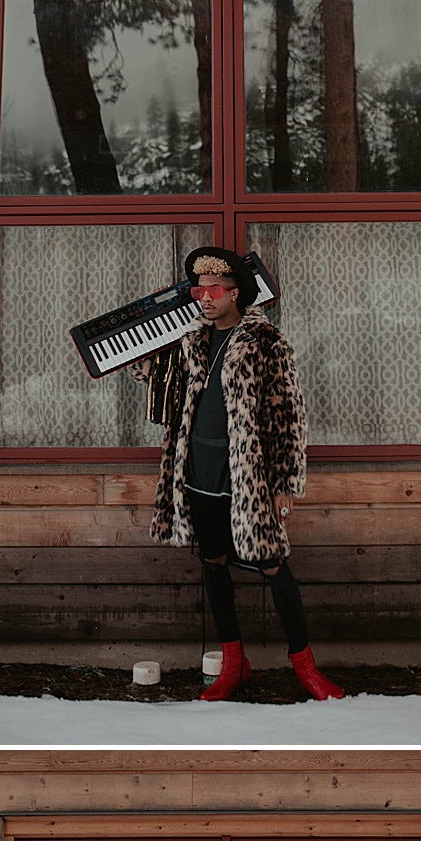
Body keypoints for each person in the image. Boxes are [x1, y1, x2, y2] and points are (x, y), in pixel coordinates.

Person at [132, 246, 345, 703]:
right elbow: (160, 390)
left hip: (248, 478)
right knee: (213, 563)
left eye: (213, 290)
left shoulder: (267, 343)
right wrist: (143, 347)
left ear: (235, 294)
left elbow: (289, 415)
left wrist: (286, 483)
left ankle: (306, 668)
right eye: (198, 290)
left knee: (273, 566)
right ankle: (234, 665)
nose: (203, 298)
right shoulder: (192, 342)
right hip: (197, 474)